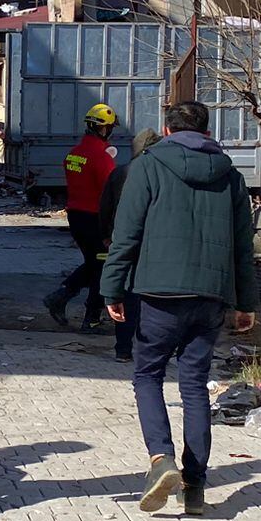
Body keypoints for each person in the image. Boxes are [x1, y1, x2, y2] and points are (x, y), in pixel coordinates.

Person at [101, 100, 258, 519]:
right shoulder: (230, 176)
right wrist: (246, 303)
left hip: (158, 294)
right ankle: (195, 485)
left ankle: (161, 460)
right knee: (194, 385)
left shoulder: (148, 166)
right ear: (207, 132)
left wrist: (111, 288)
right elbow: (244, 247)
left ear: (167, 131)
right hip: (210, 296)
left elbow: (126, 233)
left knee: (148, 375)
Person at [43, 103, 120, 330]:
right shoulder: (102, 156)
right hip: (96, 219)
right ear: (105, 129)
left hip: (76, 218)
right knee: (102, 267)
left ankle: (61, 297)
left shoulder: (74, 154)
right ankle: (92, 317)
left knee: (94, 263)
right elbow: (109, 191)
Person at [98, 127, 160, 362]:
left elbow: (105, 206)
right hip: (150, 243)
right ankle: (148, 348)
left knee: (123, 294)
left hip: (121, 241)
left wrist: (105, 234)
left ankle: (123, 348)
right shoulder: (158, 174)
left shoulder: (120, 172)